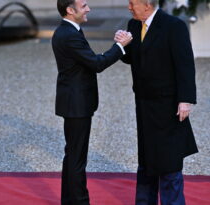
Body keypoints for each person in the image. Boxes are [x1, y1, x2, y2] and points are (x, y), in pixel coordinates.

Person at [51, 0, 132, 204]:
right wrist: (120, 46)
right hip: (76, 105)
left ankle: (69, 200)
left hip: (73, 102)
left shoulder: (67, 31)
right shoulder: (69, 34)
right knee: (77, 159)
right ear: (70, 10)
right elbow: (97, 64)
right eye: (84, 5)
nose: (88, 9)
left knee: (72, 156)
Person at [117, 0, 198, 204]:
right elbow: (134, 57)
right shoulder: (133, 25)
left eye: (132, 3)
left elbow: (185, 64)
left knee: (169, 160)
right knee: (146, 158)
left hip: (168, 104)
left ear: (147, 4)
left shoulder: (174, 26)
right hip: (143, 103)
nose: (129, 7)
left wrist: (185, 100)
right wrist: (121, 45)